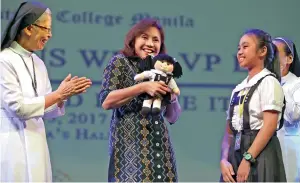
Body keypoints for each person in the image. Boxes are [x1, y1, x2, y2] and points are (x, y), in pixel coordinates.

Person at [0, 1, 92, 182]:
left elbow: (46, 112)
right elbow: (17, 108)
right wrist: (58, 94)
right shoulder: (4, 60)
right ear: (28, 28)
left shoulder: (39, 63)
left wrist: (62, 96)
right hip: (11, 144)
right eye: (46, 29)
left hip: (37, 145)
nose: (50, 35)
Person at [99, 18, 182, 182]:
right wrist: (142, 87)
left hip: (160, 149)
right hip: (130, 150)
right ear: (134, 40)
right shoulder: (120, 62)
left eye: (156, 40)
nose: (150, 43)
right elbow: (106, 101)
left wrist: (172, 98)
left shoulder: (161, 70)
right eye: (145, 37)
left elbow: (173, 117)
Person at [220, 29, 286, 182]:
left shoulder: (269, 82)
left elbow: (269, 126)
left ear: (262, 51)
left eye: (245, 47)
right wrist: (224, 159)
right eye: (238, 48)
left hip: (260, 156)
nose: (240, 52)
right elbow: (229, 133)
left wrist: (248, 158)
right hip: (236, 155)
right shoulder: (238, 89)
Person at [273, 37, 300, 182]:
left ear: (289, 58)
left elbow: (296, 115)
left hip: (289, 147)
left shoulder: (299, 83)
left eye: (275, 53)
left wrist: (277, 87)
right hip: (265, 148)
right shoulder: (262, 82)